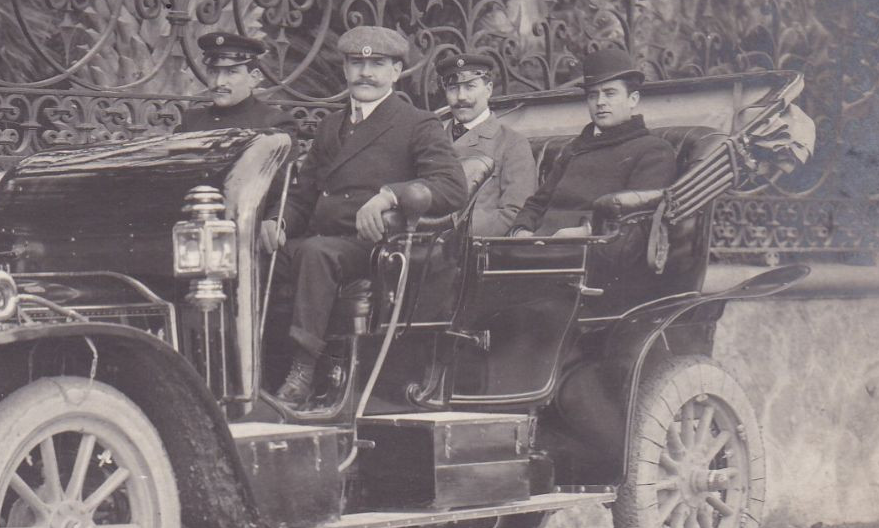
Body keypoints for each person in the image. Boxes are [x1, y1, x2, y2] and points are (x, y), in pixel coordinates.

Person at [261, 25, 468, 408]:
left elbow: (451, 187)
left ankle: (302, 371)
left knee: (315, 254)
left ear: (395, 72)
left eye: (377, 64)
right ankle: (256, 371)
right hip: (322, 241)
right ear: (345, 70)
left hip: (372, 246)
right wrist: (280, 221)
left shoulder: (415, 124)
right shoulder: (330, 127)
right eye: (357, 63)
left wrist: (392, 195)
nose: (366, 73)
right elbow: (303, 195)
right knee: (258, 255)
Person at [509, 48, 676, 237]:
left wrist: (586, 231)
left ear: (633, 99)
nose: (600, 102)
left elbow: (638, 217)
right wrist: (520, 230)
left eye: (610, 93)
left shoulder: (653, 150)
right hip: (539, 244)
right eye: (592, 95)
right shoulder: (574, 148)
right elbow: (538, 202)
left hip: (592, 250)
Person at [437, 52, 536, 235]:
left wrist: (450, 231)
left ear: (488, 89)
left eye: (470, 86)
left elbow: (515, 213)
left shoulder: (512, 144)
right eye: (453, 88)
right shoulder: (432, 140)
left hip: (473, 251)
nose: (461, 97)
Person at [175, 32, 296, 133]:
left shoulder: (274, 123)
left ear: (254, 78)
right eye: (213, 72)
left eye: (231, 72)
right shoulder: (191, 121)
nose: (219, 82)